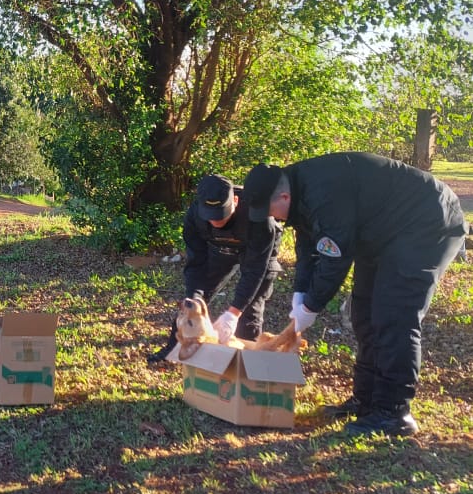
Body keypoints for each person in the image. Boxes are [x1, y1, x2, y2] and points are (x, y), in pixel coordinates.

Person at [242, 154, 467, 437]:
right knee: (363, 312)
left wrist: (311, 306)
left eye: (272, 211)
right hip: (381, 232)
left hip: (426, 223)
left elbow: (335, 258)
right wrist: (300, 293)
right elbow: (309, 246)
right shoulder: (300, 190)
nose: (273, 218)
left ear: (284, 197)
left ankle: (393, 413)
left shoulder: (324, 194)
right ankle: (367, 400)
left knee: (393, 314)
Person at [148, 174, 283, 363]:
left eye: (222, 213)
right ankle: (173, 349)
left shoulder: (261, 217)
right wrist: (194, 297)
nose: (216, 221)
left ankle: (246, 363)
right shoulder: (194, 216)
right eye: (210, 216)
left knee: (250, 309)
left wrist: (233, 313)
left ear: (235, 200)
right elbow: (196, 260)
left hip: (257, 253)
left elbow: (255, 270)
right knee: (192, 303)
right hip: (219, 249)